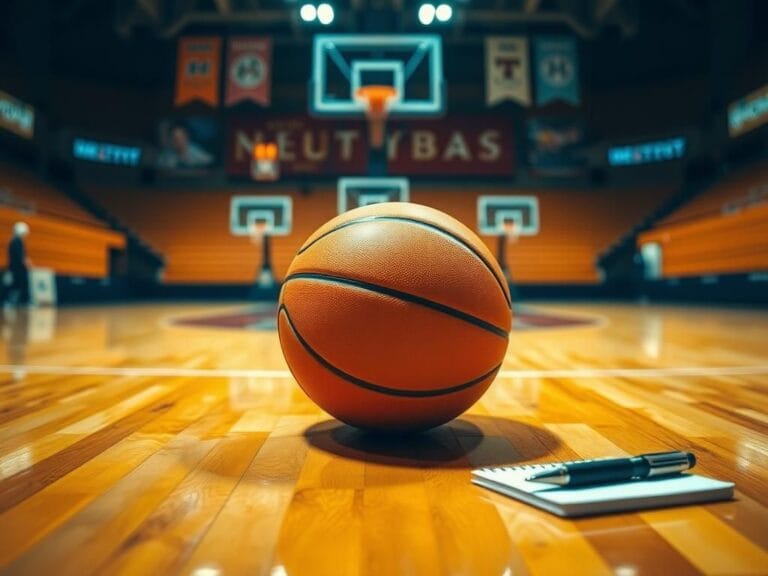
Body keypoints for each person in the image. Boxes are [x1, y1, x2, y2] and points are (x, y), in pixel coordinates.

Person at [4, 222, 31, 307]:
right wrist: (26, 262)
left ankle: (12, 302)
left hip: (15, 268)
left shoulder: (15, 241)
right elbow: (20, 256)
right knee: (15, 285)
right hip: (17, 269)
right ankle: (10, 302)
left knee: (16, 285)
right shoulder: (16, 242)